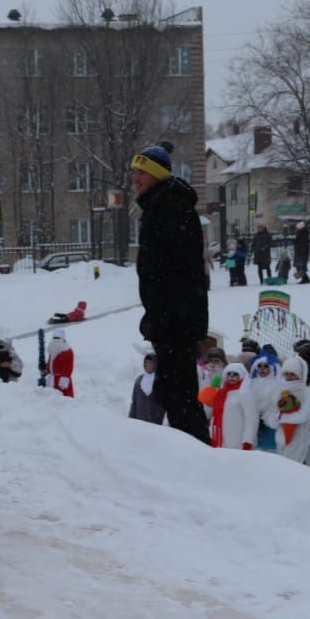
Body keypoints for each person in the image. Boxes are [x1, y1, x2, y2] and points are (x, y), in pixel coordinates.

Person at [132, 142, 210, 443]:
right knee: (173, 390)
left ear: (156, 175)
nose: (135, 178)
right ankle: (191, 451)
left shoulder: (169, 207)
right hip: (171, 318)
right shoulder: (160, 205)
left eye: (141, 172)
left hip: (176, 320)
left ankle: (198, 454)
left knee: (177, 393)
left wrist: (164, 317)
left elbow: (177, 273)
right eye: (134, 172)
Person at [275, 355, 310, 464]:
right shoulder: (280, 389)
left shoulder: (305, 392)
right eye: (287, 373)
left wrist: (283, 418)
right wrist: (274, 419)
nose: (289, 377)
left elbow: (305, 414)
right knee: (281, 463)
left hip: (299, 435)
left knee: (293, 465)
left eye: (292, 374)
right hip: (281, 434)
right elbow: (273, 410)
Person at [210, 363, 257, 450]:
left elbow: (251, 420)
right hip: (221, 440)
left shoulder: (246, 393)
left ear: (241, 375)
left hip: (238, 441)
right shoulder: (221, 392)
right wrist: (211, 434)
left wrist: (247, 441)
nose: (231, 377)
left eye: (235, 374)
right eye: (229, 374)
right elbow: (215, 416)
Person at [248, 353, 282, 450]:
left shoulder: (276, 384)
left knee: (268, 450)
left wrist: (265, 417)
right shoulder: (251, 383)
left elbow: (276, 404)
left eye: (265, 366)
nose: (262, 369)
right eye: (260, 366)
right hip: (253, 420)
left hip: (269, 421)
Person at [129, 353, 166, 424]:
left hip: (156, 424)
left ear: (155, 364)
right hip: (139, 422)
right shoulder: (139, 380)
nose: (148, 365)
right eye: (146, 362)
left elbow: (164, 405)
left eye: (150, 363)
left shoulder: (161, 381)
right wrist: (130, 419)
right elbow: (134, 402)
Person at [45, 329, 74, 397]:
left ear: (62, 339)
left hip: (61, 380)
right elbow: (50, 361)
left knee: (63, 398)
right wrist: (46, 369)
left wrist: (64, 379)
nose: (55, 340)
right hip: (52, 379)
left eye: (57, 338)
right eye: (54, 338)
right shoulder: (53, 349)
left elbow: (68, 367)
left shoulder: (67, 351)